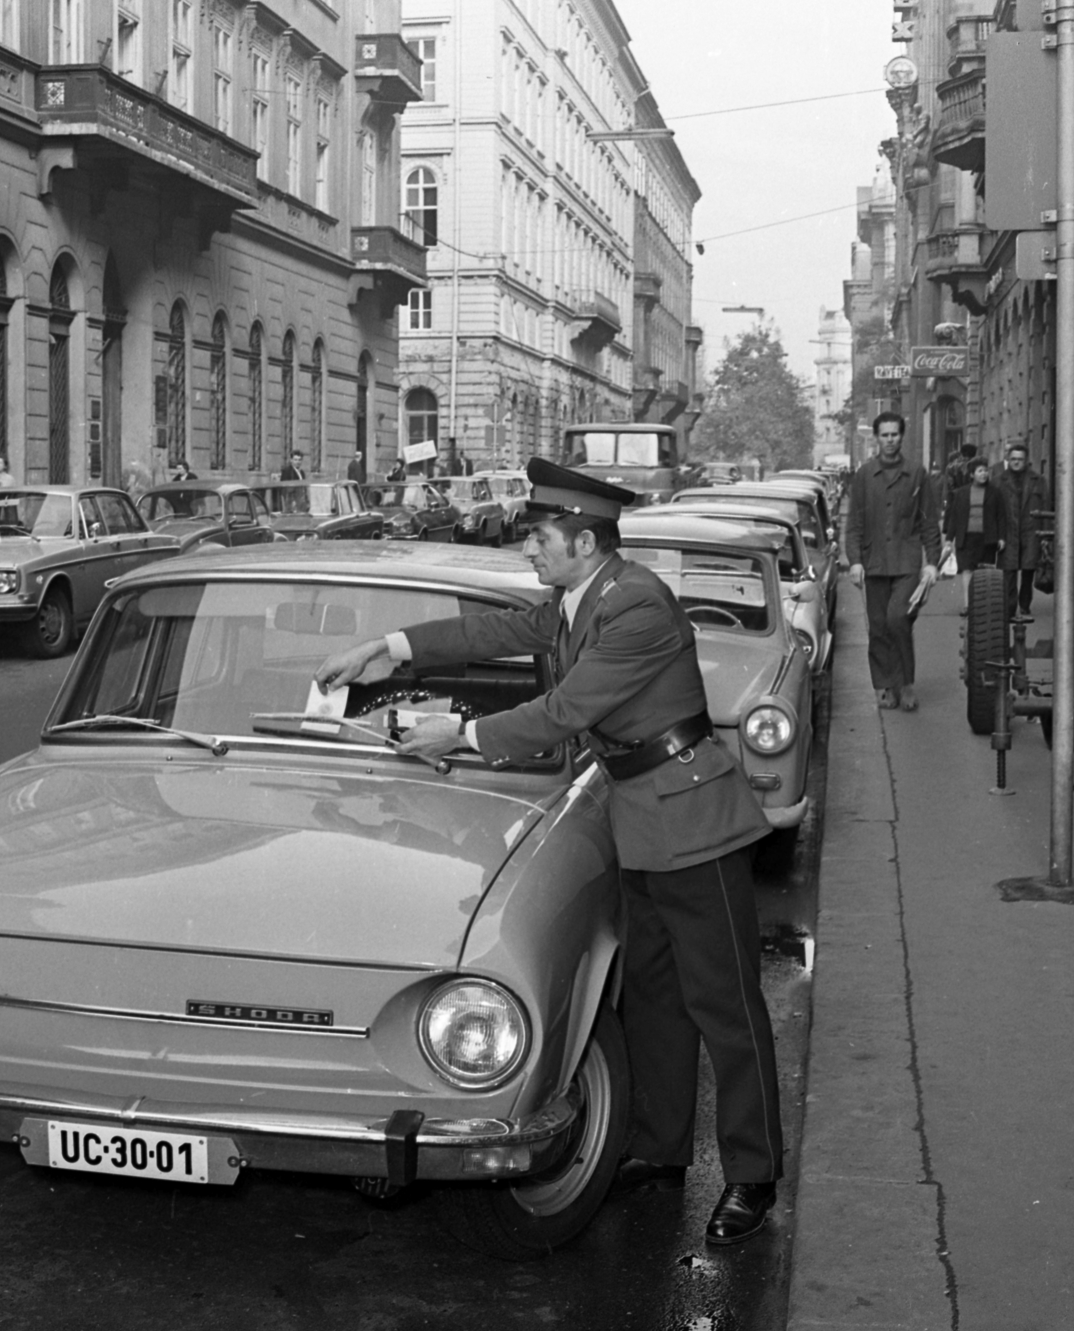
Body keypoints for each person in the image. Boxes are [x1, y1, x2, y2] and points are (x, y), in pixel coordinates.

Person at [315, 458, 784, 1247]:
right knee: (656, 1002)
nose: (529, 547)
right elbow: (495, 629)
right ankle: (660, 1149)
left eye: (540, 536)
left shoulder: (636, 604)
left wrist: (461, 733)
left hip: (692, 823)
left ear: (585, 540)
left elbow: (568, 708)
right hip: (641, 816)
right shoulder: (581, 598)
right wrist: (388, 648)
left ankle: (753, 1175)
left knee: (725, 1005)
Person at [844, 412, 942, 711]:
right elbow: (855, 523)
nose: (890, 440)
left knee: (898, 618)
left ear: (902, 436)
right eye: (884, 435)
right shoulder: (864, 475)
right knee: (877, 626)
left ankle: (906, 682)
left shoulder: (916, 473)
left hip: (906, 562)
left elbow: (929, 522)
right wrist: (855, 561)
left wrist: (932, 562)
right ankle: (885, 685)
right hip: (874, 562)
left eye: (894, 435)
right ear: (876, 438)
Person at [943, 457, 1006, 615]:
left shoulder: (995, 492)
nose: (984, 474)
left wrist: (1001, 537)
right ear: (972, 475)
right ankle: (968, 605)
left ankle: (983, 606)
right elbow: (955, 517)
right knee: (967, 571)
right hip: (966, 537)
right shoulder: (961, 493)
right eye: (980, 471)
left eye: (985, 471)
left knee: (985, 573)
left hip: (987, 538)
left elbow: (1001, 516)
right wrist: (949, 539)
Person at [997, 442, 1047, 621]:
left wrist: (1045, 535)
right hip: (1008, 532)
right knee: (1008, 571)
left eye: (1020, 459)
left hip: (1030, 531)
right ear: (1008, 460)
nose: (1016, 462)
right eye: (1013, 459)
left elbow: (1046, 507)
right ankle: (1010, 607)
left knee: (1028, 570)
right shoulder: (999, 480)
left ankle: (1024, 605)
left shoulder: (1038, 480)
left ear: (1026, 461)